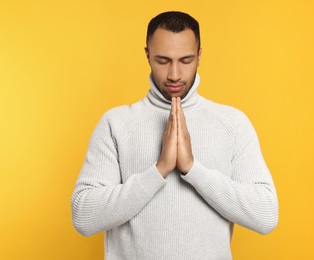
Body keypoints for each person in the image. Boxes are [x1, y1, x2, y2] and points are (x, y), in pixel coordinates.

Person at [71, 11, 278, 260]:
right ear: (147, 55)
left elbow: (265, 216)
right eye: (163, 60)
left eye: (186, 60)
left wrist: (192, 169)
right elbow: (83, 216)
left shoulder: (232, 124)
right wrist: (160, 170)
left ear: (200, 55)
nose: (175, 75)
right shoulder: (116, 124)